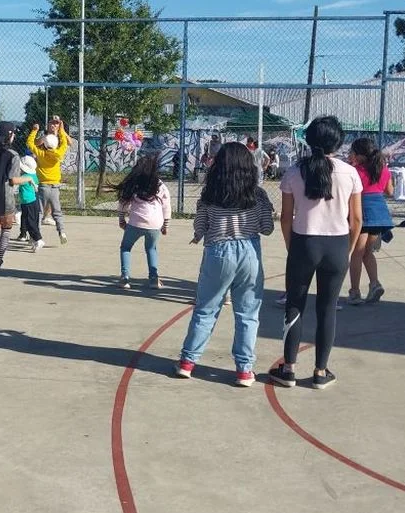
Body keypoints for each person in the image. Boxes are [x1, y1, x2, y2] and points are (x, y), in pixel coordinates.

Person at [270, 116, 362, 390]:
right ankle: (321, 372)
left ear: (308, 140)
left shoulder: (294, 172)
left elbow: (286, 217)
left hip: (303, 241)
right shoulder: (349, 173)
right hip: (336, 244)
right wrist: (346, 249)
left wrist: (292, 245)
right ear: (339, 140)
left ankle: (288, 368)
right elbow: (356, 220)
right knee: (327, 309)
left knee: (295, 304)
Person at [175, 143, 273, 386]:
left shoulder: (211, 193)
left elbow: (200, 224)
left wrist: (199, 233)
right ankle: (244, 370)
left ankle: (188, 362)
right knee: (248, 313)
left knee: (206, 308)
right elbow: (267, 228)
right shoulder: (257, 194)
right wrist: (268, 213)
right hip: (249, 250)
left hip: (218, 251)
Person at [0, 121, 36, 282]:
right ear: (9, 135)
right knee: (5, 232)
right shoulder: (12, 155)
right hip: (5, 198)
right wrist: (27, 179)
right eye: (13, 133)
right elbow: (12, 179)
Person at [115, 153, 171, 290]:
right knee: (151, 248)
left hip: (135, 223)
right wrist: (165, 225)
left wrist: (122, 219)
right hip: (155, 224)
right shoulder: (159, 184)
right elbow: (166, 205)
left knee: (126, 248)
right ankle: (153, 279)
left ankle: (125, 278)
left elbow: (123, 202)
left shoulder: (134, 183)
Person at [347, 138, 392, 305]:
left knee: (357, 253)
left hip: (362, 211)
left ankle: (354, 291)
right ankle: (374, 283)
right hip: (379, 213)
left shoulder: (355, 170)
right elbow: (390, 191)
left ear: (359, 155)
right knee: (368, 252)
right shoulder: (383, 169)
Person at [26, 116, 69, 244]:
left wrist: (34, 131)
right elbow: (65, 142)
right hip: (55, 186)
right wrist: (61, 129)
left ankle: (36, 236)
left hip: (43, 186)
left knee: (39, 213)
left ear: (44, 144)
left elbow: (29, 144)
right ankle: (62, 232)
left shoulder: (41, 154)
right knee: (57, 212)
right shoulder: (59, 154)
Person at [16, 154, 45, 251]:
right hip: (31, 201)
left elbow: (16, 182)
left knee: (30, 222)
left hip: (28, 202)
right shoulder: (33, 175)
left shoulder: (25, 176)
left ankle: (38, 239)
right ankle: (33, 238)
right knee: (32, 220)